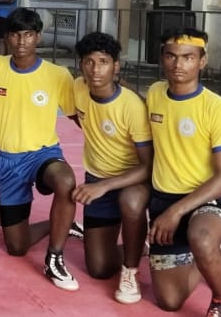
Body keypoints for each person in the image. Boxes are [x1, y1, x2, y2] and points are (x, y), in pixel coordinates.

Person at [0, 7, 80, 291]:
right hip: (8, 161)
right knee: (17, 247)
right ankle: (61, 224)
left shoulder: (58, 74)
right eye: (15, 34)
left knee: (66, 181)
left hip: (43, 155)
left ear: (38, 37)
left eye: (28, 34)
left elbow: (78, 117)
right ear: (7, 37)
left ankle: (55, 257)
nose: (21, 41)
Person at [146, 28, 221, 317]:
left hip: (205, 199)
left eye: (188, 57)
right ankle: (209, 254)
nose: (178, 64)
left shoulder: (219, 110)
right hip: (162, 197)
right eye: (171, 56)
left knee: (201, 238)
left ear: (202, 61)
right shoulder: (154, 94)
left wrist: (175, 212)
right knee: (169, 302)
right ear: (162, 58)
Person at [71, 32, 152, 303]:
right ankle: (139, 246)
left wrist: (104, 186)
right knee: (99, 268)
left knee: (131, 201)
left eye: (103, 62)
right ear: (81, 65)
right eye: (89, 62)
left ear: (116, 66)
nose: (95, 69)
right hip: (97, 178)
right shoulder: (78, 89)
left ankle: (130, 271)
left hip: (132, 181)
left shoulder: (132, 107)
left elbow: (148, 166)